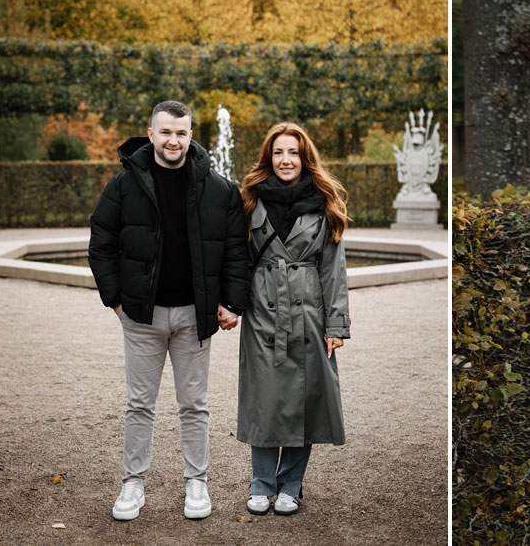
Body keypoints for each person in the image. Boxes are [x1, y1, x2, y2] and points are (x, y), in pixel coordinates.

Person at [89, 100, 250, 521]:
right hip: (141, 316)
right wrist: (117, 300)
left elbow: (235, 250)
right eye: (165, 132)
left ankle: (197, 482)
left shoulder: (220, 189)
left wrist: (232, 302)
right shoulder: (123, 185)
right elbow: (101, 242)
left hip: (194, 318)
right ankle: (132, 484)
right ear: (151, 134)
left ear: (191, 136)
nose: (173, 140)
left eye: (181, 133)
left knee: (194, 405)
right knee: (139, 404)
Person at [235, 122, 352, 517]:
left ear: (306, 158)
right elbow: (238, 261)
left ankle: (291, 484)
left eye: (294, 153)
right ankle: (261, 483)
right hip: (262, 313)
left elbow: (334, 270)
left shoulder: (326, 201)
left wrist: (336, 326)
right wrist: (230, 305)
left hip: (308, 316)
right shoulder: (250, 199)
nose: (286, 160)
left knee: (306, 401)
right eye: (279, 153)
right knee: (263, 401)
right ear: (269, 158)